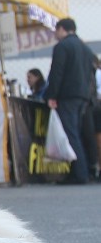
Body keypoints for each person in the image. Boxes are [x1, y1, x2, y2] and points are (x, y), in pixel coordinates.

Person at [43, 18, 97, 184]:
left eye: (56, 30)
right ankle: (84, 170)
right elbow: (91, 73)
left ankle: (79, 174)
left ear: (61, 29)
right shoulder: (85, 49)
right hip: (83, 97)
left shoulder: (62, 47)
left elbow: (56, 73)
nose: (55, 34)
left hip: (67, 96)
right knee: (77, 133)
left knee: (70, 134)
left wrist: (51, 95)